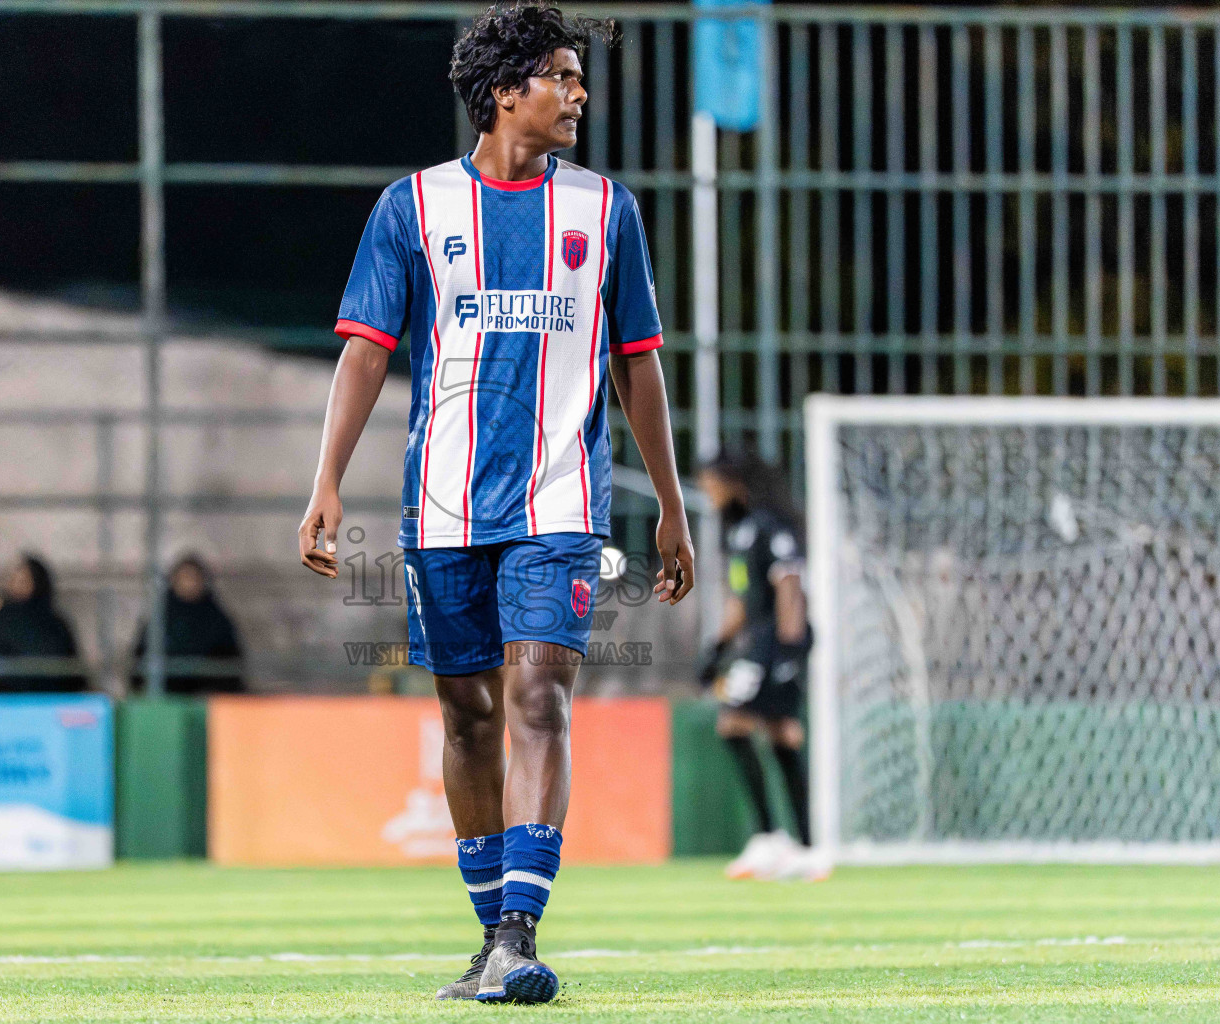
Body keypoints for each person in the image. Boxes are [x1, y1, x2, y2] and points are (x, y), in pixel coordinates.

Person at [298, 3, 693, 1005]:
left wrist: (673, 507)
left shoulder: (607, 211)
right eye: (561, 76)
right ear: (504, 89)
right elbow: (365, 351)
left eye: (577, 76)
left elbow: (638, 367)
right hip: (440, 510)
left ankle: (520, 929)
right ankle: (491, 942)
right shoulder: (413, 209)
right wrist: (326, 480)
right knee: (466, 713)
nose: (579, 95)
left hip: (561, 502)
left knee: (537, 696)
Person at [696, 452, 828, 882]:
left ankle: (790, 841)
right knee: (778, 731)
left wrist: (790, 651)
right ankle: (787, 843)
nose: (707, 493)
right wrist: (717, 646)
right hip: (759, 643)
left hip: (777, 643)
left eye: (711, 484)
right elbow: (742, 599)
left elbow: (789, 585)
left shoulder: (770, 527)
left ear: (733, 483)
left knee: (740, 724)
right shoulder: (740, 533)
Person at [130, 554, 246, 695]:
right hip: (169, 689)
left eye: (194, 578)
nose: (189, 584)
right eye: (184, 578)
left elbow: (229, 658)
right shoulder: (160, 616)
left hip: (207, 690)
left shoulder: (216, 617)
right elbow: (140, 656)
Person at [0, 554, 84, 693]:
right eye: (12, 580)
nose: (15, 585)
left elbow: (70, 669)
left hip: (50, 700)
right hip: (7, 702)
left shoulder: (54, 624)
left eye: (23, 581)